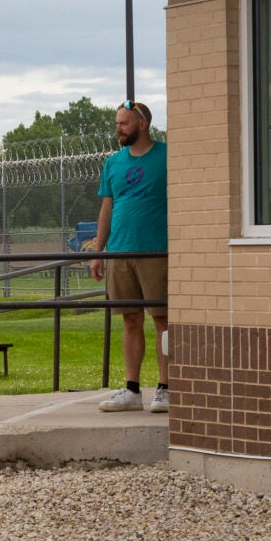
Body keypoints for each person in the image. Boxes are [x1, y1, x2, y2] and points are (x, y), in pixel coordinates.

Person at [90, 100, 168, 414]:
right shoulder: (113, 163)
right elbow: (106, 208)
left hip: (156, 252)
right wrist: (99, 252)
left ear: (142, 124)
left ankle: (166, 388)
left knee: (162, 319)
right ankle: (132, 389)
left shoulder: (166, 156)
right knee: (130, 320)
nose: (118, 129)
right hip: (120, 252)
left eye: (123, 123)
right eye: (117, 123)